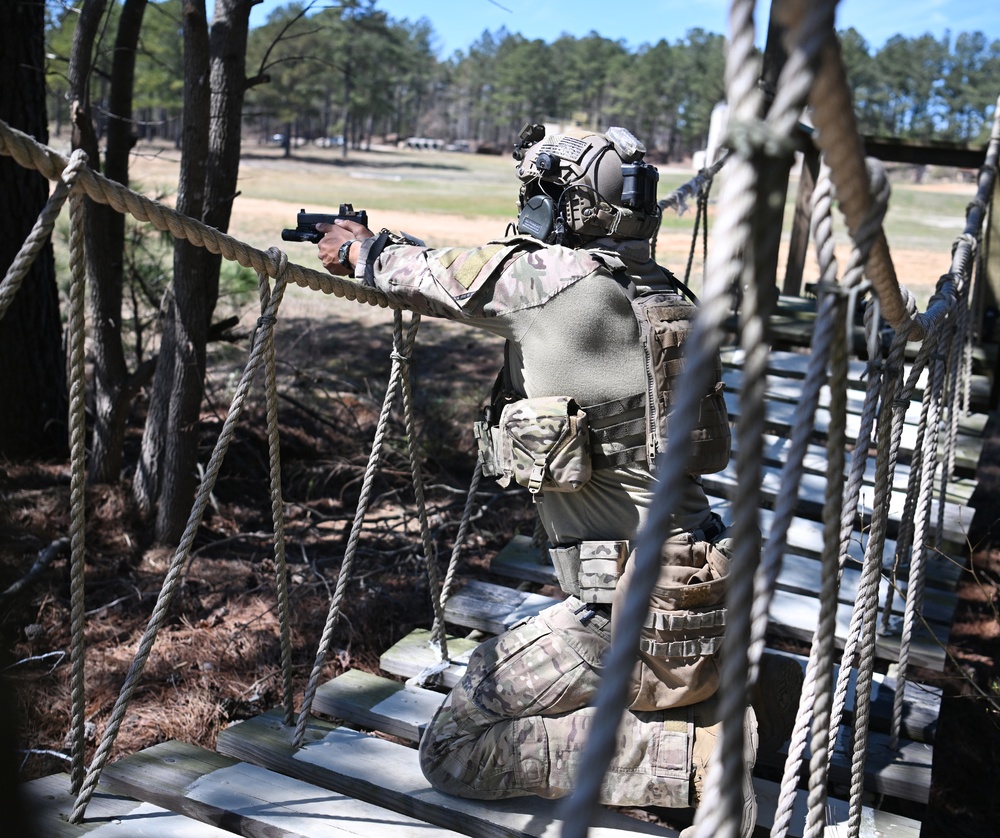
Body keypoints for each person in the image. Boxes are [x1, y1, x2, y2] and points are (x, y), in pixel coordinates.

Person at [315, 125, 798, 835]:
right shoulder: (660, 294)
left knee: (451, 749)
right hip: (702, 596)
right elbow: (476, 273)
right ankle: (726, 705)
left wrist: (358, 249)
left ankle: (691, 758)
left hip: (631, 623)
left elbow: (434, 273)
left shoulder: (543, 284)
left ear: (556, 205)